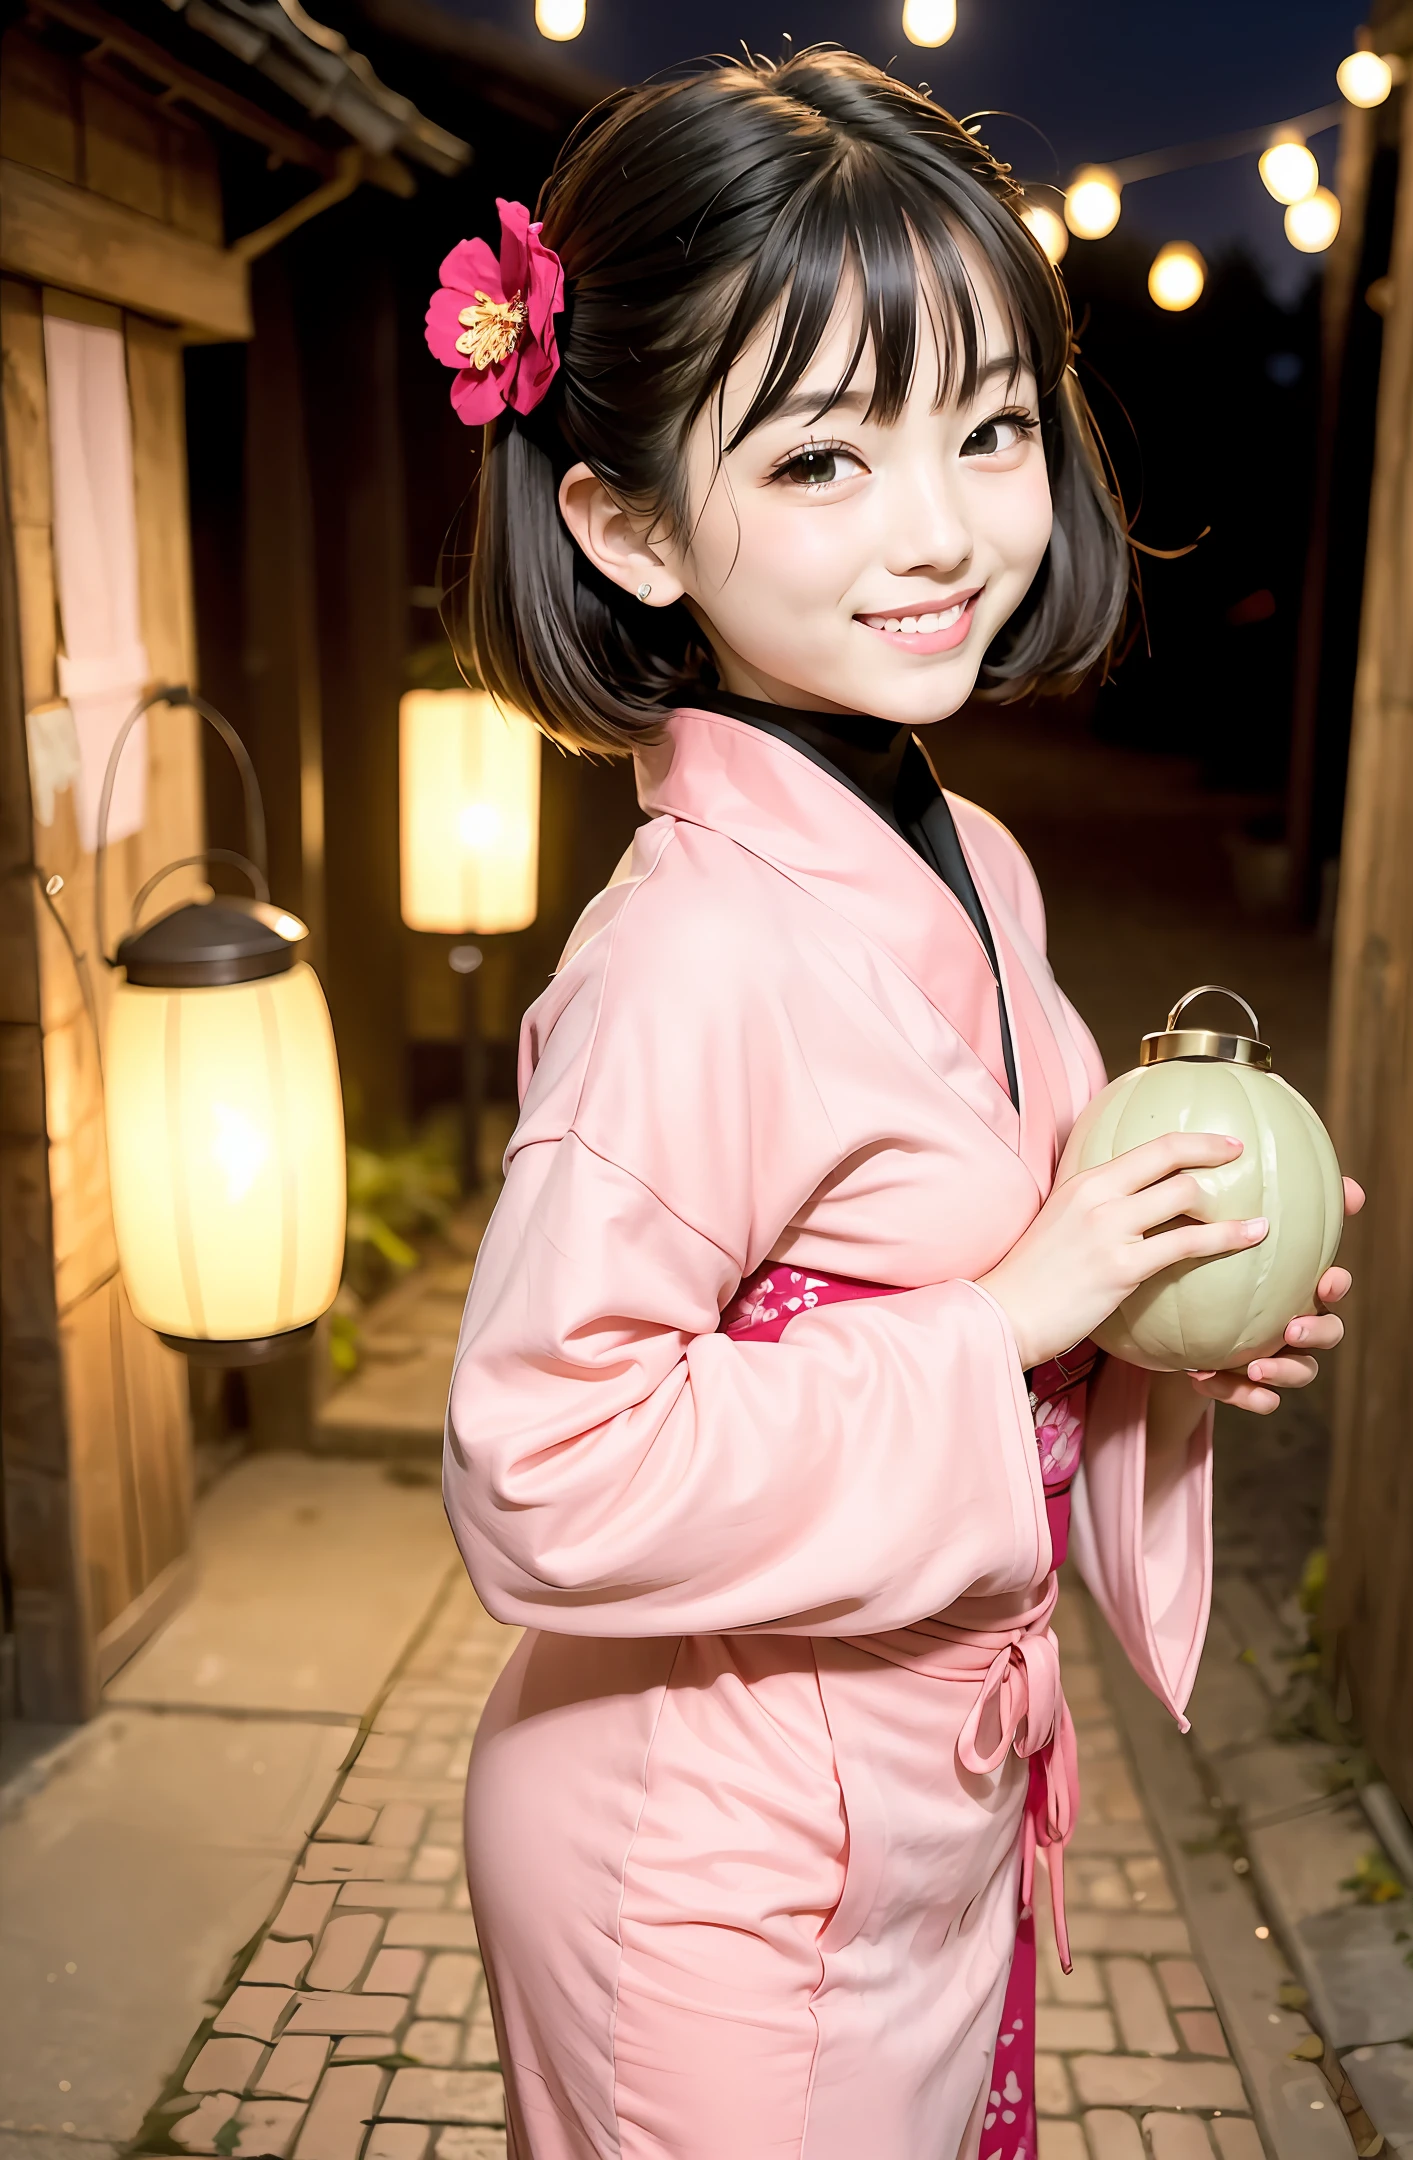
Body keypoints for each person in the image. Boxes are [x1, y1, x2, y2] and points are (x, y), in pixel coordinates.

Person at [429, 48, 1359, 2160]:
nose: (944, 527)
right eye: (828, 459)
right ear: (631, 520)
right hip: (706, 1871)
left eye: (992, 426)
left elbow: (993, 1290)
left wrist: (1154, 1329)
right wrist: (1018, 1321)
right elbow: (537, 1466)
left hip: (900, 1825)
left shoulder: (975, 852)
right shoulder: (690, 958)